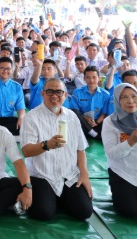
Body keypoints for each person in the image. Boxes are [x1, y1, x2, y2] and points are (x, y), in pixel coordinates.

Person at [21, 78, 93, 221]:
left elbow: (80, 149)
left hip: (69, 174)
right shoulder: (31, 117)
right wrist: (46, 145)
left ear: (65, 95)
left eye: (59, 92)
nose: (54, 96)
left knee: (84, 212)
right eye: (50, 92)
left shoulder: (72, 117)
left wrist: (84, 175)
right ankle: (51, 198)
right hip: (42, 174)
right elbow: (26, 151)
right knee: (43, 213)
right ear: (43, 94)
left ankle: (57, 198)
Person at [101, 83, 137, 217]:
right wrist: (131, 141)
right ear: (117, 101)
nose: (130, 101)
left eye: (133, 96)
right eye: (124, 97)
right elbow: (111, 153)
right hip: (124, 174)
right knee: (131, 211)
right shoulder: (110, 122)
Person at [69, 66, 112, 139]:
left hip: (98, 121)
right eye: (88, 77)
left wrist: (96, 123)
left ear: (99, 78)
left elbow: (104, 113)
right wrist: (86, 119)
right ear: (84, 78)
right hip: (83, 120)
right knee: (74, 112)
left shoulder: (105, 94)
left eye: (94, 77)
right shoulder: (77, 92)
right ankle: (94, 134)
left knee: (108, 121)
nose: (91, 80)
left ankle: (89, 132)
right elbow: (75, 111)